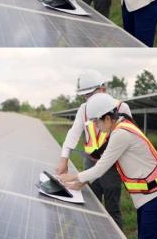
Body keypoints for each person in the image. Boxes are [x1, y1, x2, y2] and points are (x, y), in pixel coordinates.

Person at [59, 93, 157, 239]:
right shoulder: (120, 125)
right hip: (148, 193)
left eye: (96, 122)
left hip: (156, 193)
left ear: (107, 118)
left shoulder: (120, 134)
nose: (95, 126)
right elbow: (103, 164)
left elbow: (100, 168)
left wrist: (72, 177)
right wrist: (81, 182)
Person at [56, 70, 123, 228]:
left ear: (102, 89)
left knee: (112, 208)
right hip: (90, 162)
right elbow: (73, 134)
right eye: (85, 95)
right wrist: (64, 159)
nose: (88, 99)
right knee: (91, 204)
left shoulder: (121, 107)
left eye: (90, 94)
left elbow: (122, 137)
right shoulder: (84, 109)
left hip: (111, 167)